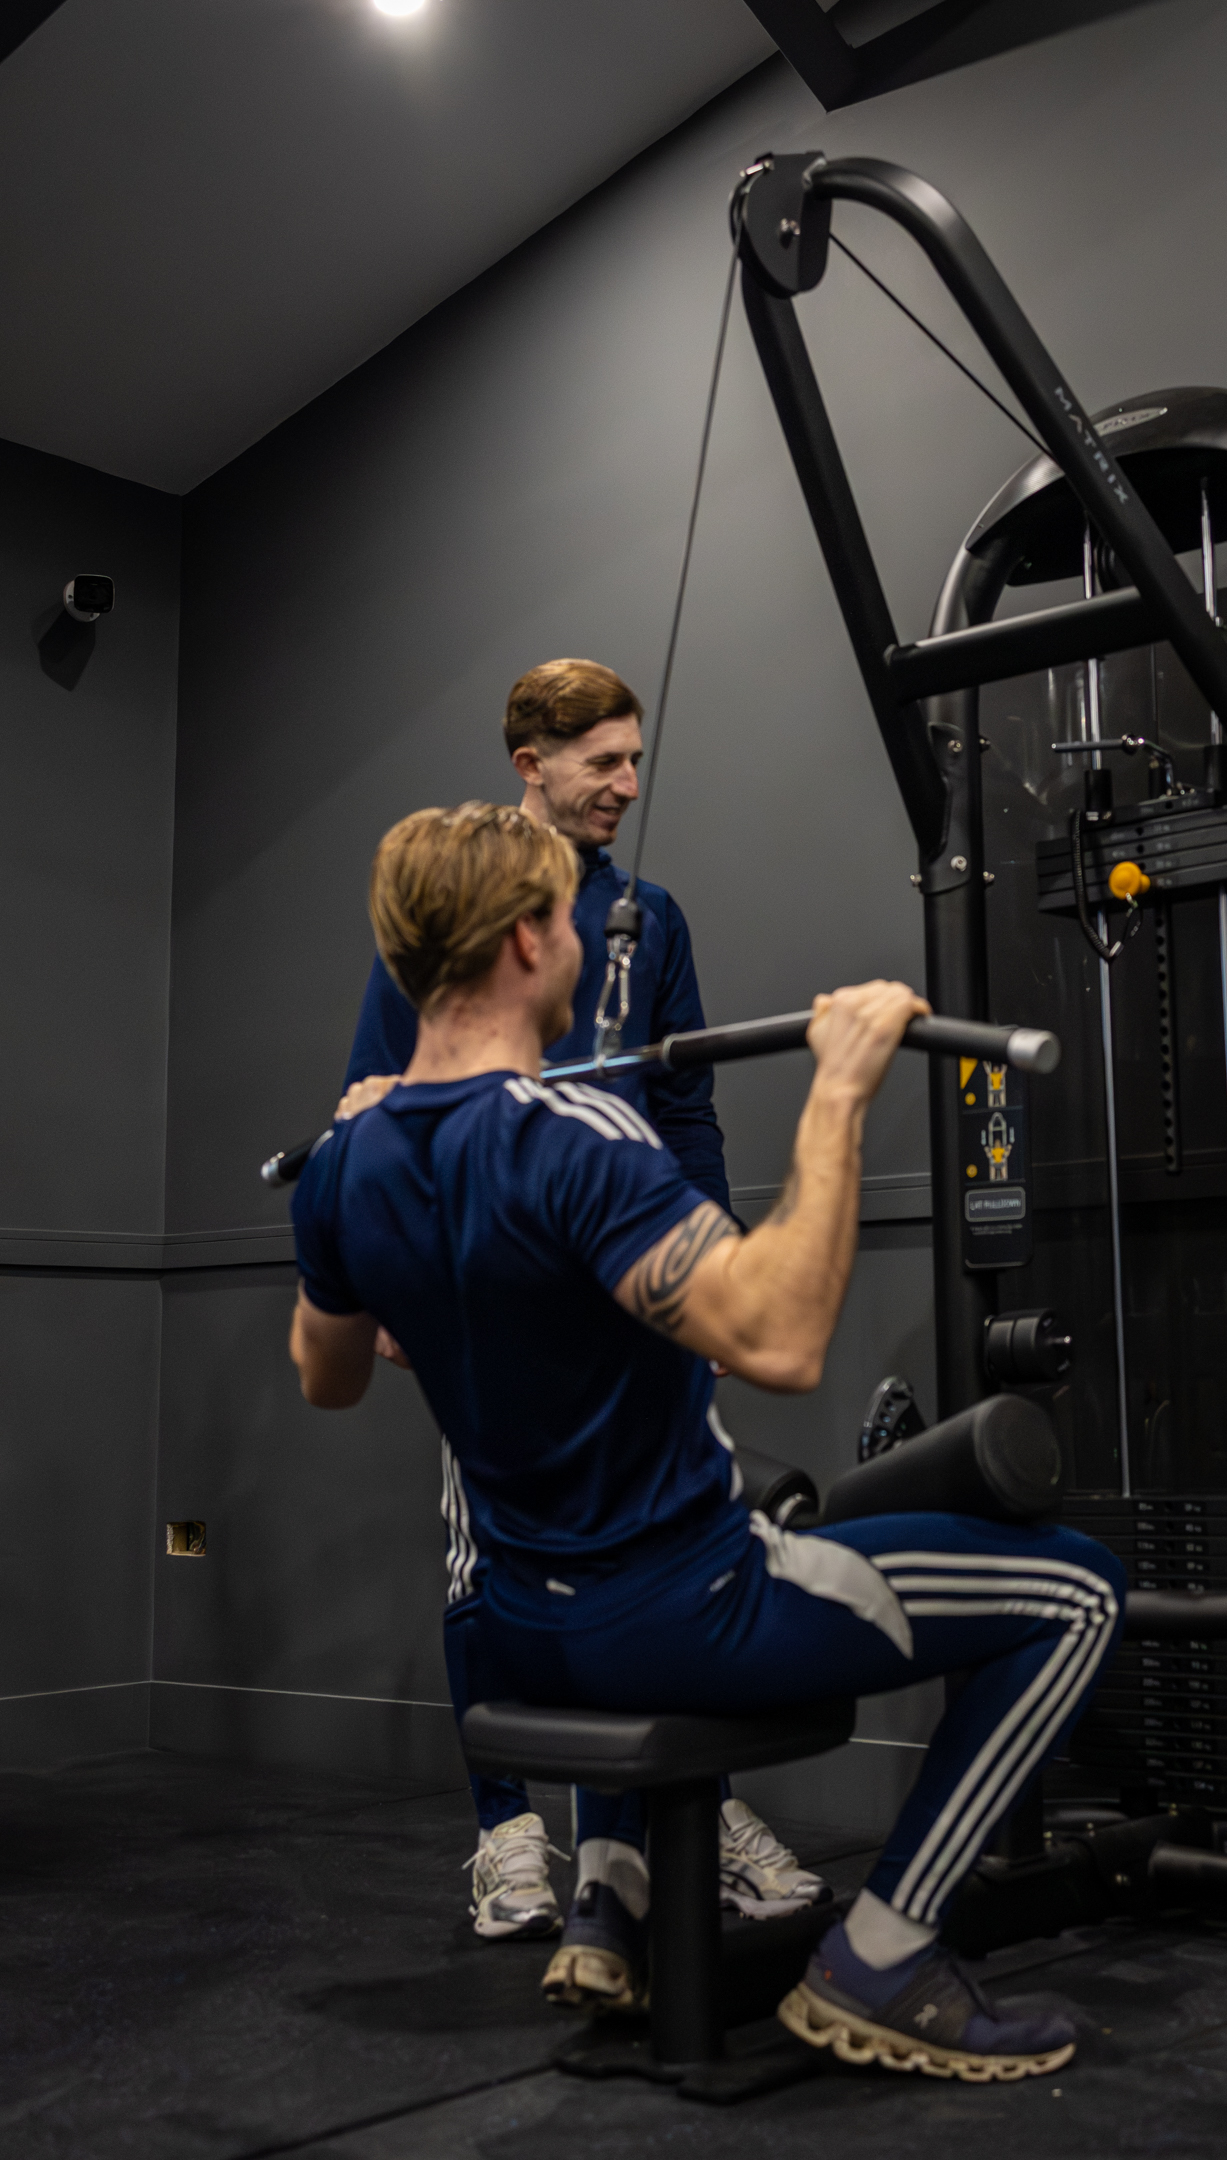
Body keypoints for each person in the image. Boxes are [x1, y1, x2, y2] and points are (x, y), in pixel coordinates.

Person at [290, 804, 1124, 2080]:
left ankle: (609, 1900)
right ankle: (884, 1960)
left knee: (774, 1526)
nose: (576, 942)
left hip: (520, 1628)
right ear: (526, 939)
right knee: (1076, 1588)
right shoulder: (582, 1139)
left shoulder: (346, 1163)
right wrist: (840, 1090)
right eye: (565, 920)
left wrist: (384, 1195)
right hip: (685, 1611)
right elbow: (781, 1340)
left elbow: (329, 1375)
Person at [339, 660, 821, 1964]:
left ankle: (650, 1842)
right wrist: (391, 1272)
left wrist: (714, 1264)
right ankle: (508, 1837)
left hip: (634, 1256)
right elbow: (376, 1090)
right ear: (530, 763)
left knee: (650, 1548)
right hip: (493, 1267)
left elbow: (690, 1110)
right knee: (481, 1559)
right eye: (602, 760)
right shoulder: (454, 906)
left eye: (633, 758)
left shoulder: (649, 919)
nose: (626, 782)